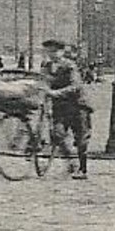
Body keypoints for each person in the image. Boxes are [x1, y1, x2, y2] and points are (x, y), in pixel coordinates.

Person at [40, 39, 89, 179]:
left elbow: (76, 86)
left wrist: (56, 93)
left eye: (54, 51)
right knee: (57, 134)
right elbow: (43, 83)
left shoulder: (70, 66)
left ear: (62, 52)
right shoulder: (46, 66)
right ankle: (71, 162)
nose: (51, 54)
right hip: (60, 107)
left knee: (81, 139)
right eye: (49, 51)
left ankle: (83, 169)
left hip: (77, 105)